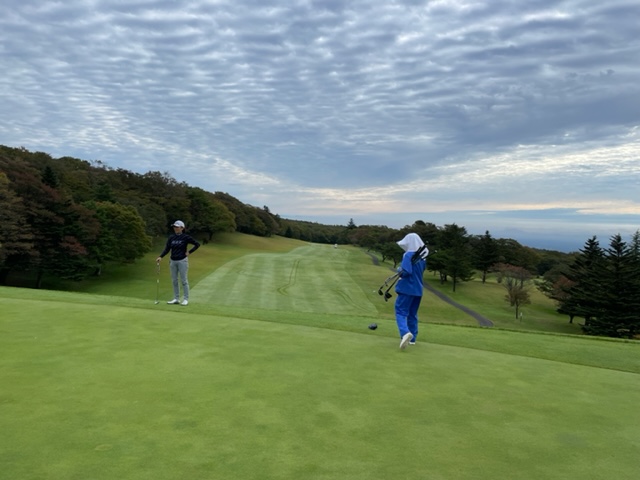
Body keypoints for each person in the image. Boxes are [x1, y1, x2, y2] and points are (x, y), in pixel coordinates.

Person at [394, 233, 428, 349]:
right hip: (418, 290)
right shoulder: (422, 257)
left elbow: (405, 272)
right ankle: (412, 339)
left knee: (400, 312)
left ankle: (405, 333)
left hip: (406, 289)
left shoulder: (408, 255)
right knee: (412, 313)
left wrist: (399, 269)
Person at [156, 220, 200, 306]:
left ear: (182, 228)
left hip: (182, 261)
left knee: (184, 280)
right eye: (174, 227)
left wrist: (189, 252)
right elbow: (167, 249)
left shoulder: (185, 237)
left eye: (177, 227)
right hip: (173, 261)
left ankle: (185, 299)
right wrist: (160, 256)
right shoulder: (171, 237)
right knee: (174, 280)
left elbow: (197, 244)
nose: (175, 228)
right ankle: (176, 298)